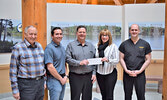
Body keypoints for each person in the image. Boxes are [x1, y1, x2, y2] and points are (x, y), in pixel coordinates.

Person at [9, 25, 46, 100]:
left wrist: (44, 81)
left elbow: (42, 66)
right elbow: (13, 71)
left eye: (35, 34)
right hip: (26, 85)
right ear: (25, 34)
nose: (33, 36)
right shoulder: (18, 47)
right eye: (30, 34)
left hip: (40, 83)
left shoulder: (39, 46)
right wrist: (15, 90)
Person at [119, 24, 152, 100]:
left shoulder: (145, 44)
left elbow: (148, 59)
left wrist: (140, 71)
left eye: (136, 30)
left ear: (139, 31)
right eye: (132, 30)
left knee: (141, 96)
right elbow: (121, 59)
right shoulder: (124, 44)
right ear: (130, 31)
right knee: (127, 96)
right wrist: (126, 70)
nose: (134, 31)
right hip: (127, 74)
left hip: (140, 75)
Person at [66, 25, 96, 100]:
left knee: (87, 97)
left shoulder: (91, 46)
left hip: (88, 77)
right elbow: (68, 59)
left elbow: (95, 61)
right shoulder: (71, 45)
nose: (82, 34)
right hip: (75, 76)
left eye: (83, 32)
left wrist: (94, 74)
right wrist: (79, 63)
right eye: (80, 32)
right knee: (75, 97)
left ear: (86, 33)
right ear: (76, 33)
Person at [44, 27, 68, 100]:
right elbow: (50, 67)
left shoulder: (62, 47)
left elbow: (64, 63)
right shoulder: (49, 48)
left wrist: (66, 76)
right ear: (52, 36)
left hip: (62, 78)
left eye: (60, 34)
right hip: (53, 79)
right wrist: (61, 79)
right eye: (57, 34)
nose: (59, 36)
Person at [95, 29, 119, 100]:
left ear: (109, 37)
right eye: (103, 35)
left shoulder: (113, 46)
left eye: (106, 35)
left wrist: (108, 60)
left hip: (110, 73)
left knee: (109, 95)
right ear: (100, 36)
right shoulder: (96, 46)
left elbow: (117, 60)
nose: (104, 37)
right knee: (103, 94)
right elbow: (94, 57)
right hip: (99, 73)